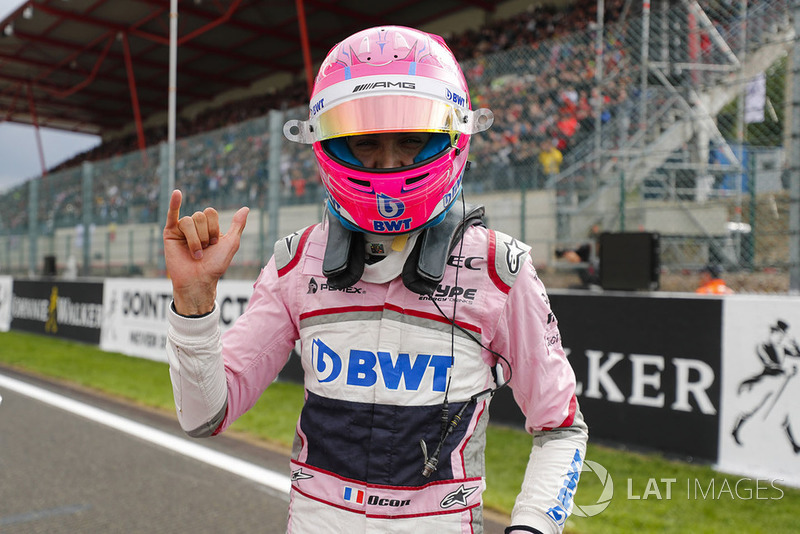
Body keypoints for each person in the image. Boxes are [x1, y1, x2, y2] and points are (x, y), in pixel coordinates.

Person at [163, 25, 587, 534]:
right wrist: (193, 302)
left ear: (456, 136)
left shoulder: (500, 270)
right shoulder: (296, 264)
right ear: (328, 143)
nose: (389, 163)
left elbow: (561, 429)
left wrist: (534, 528)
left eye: (413, 139)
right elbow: (204, 415)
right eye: (364, 143)